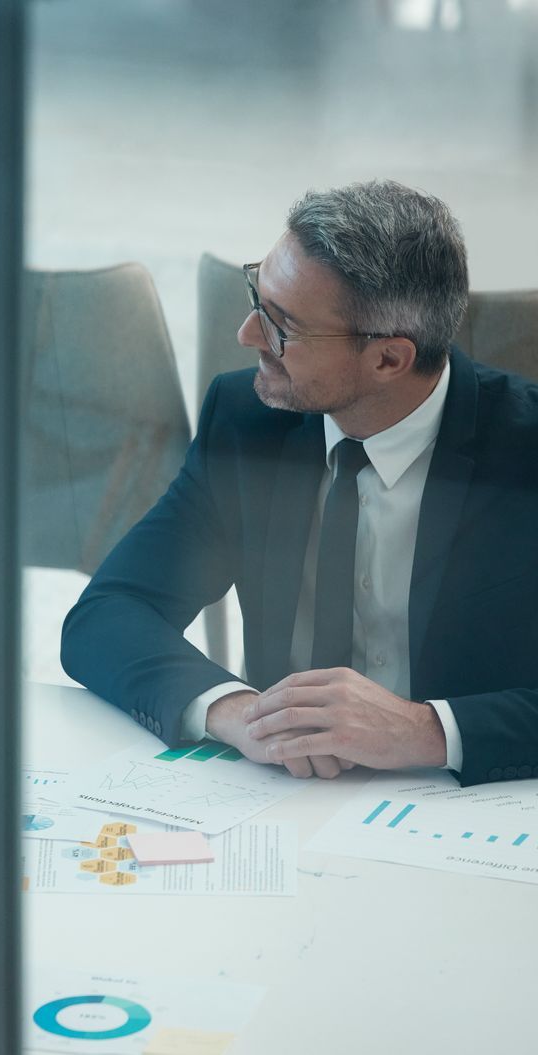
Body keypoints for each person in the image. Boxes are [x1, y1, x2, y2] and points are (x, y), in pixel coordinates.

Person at [62, 180, 538, 787]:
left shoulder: (525, 450)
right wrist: (240, 713)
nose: (247, 335)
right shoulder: (247, 422)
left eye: (282, 325)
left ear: (389, 359)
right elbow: (109, 614)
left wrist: (426, 730)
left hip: (474, 812)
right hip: (283, 799)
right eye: (255, 297)